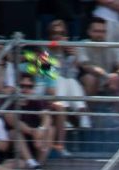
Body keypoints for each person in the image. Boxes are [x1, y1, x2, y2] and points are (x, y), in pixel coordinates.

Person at [46, 20, 89, 156]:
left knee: (70, 81)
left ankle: (78, 110)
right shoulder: (43, 51)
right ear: (50, 36)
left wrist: (74, 58)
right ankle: (81, 111)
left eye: (62, 33)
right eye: (54, 33)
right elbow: (48, 75)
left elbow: (73, 74)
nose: (58, 36)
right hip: (48, 88)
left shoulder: (70, 51)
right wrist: (57, 54)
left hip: (65, 91)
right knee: (62, 80)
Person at [77, 17, 119, 105]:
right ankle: (88, 111)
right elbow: (86, 66)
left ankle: (117, 112)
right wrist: (107, 76)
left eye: (103, 31)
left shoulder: (111, 45)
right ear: (89, 32)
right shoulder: (82, 45)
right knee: (90, 79)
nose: (100, 34)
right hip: (90, 80)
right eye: (96, 31)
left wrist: (117, 75)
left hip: (109, 80)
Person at [7, 73, 53, 167]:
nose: (25, 89)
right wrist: (33, 132)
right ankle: (31, 163)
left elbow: (47, 117)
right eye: (22, 86)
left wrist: (41, 130)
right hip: (15, 142)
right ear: (16, 86)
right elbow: (11, 120)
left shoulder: (36, 99)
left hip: (35, 139)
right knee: (14, 132)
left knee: (50, 129)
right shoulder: (10, 100)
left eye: (29, 86)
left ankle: (39, 165)